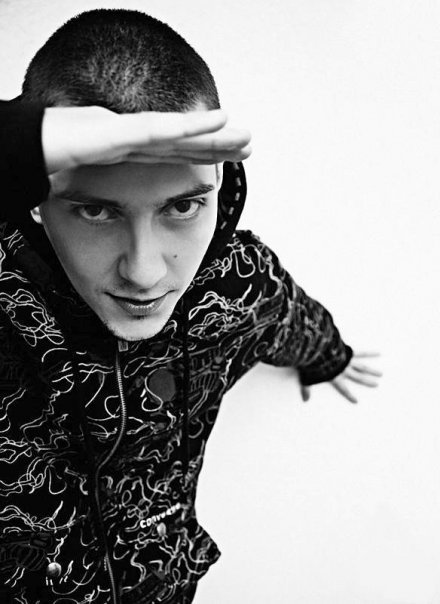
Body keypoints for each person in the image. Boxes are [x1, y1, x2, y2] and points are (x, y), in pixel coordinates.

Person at [0, 9, 381, 604]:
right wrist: (20, 143)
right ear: (33, 201)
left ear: (220, 191)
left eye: (182, 207)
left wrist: (332, 356)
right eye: (95, 210)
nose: (145, 272)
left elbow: (286, 313)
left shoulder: (233, 283)